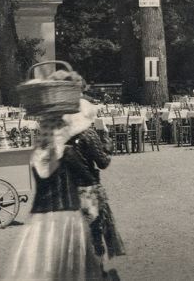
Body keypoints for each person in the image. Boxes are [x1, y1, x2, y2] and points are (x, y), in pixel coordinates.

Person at [5, 71, 105, 281]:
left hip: (40, 218)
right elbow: (87, 176)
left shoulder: (37, 155)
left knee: (41, 267)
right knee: (70, 268)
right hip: (66, 214)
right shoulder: (66, 153)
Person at [63, 101, 125, 273]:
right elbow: (103, 162)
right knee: (94, 233)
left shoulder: (62, 135)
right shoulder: (88, 134)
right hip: (88, 189)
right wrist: (108, 145)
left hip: (67, 191)